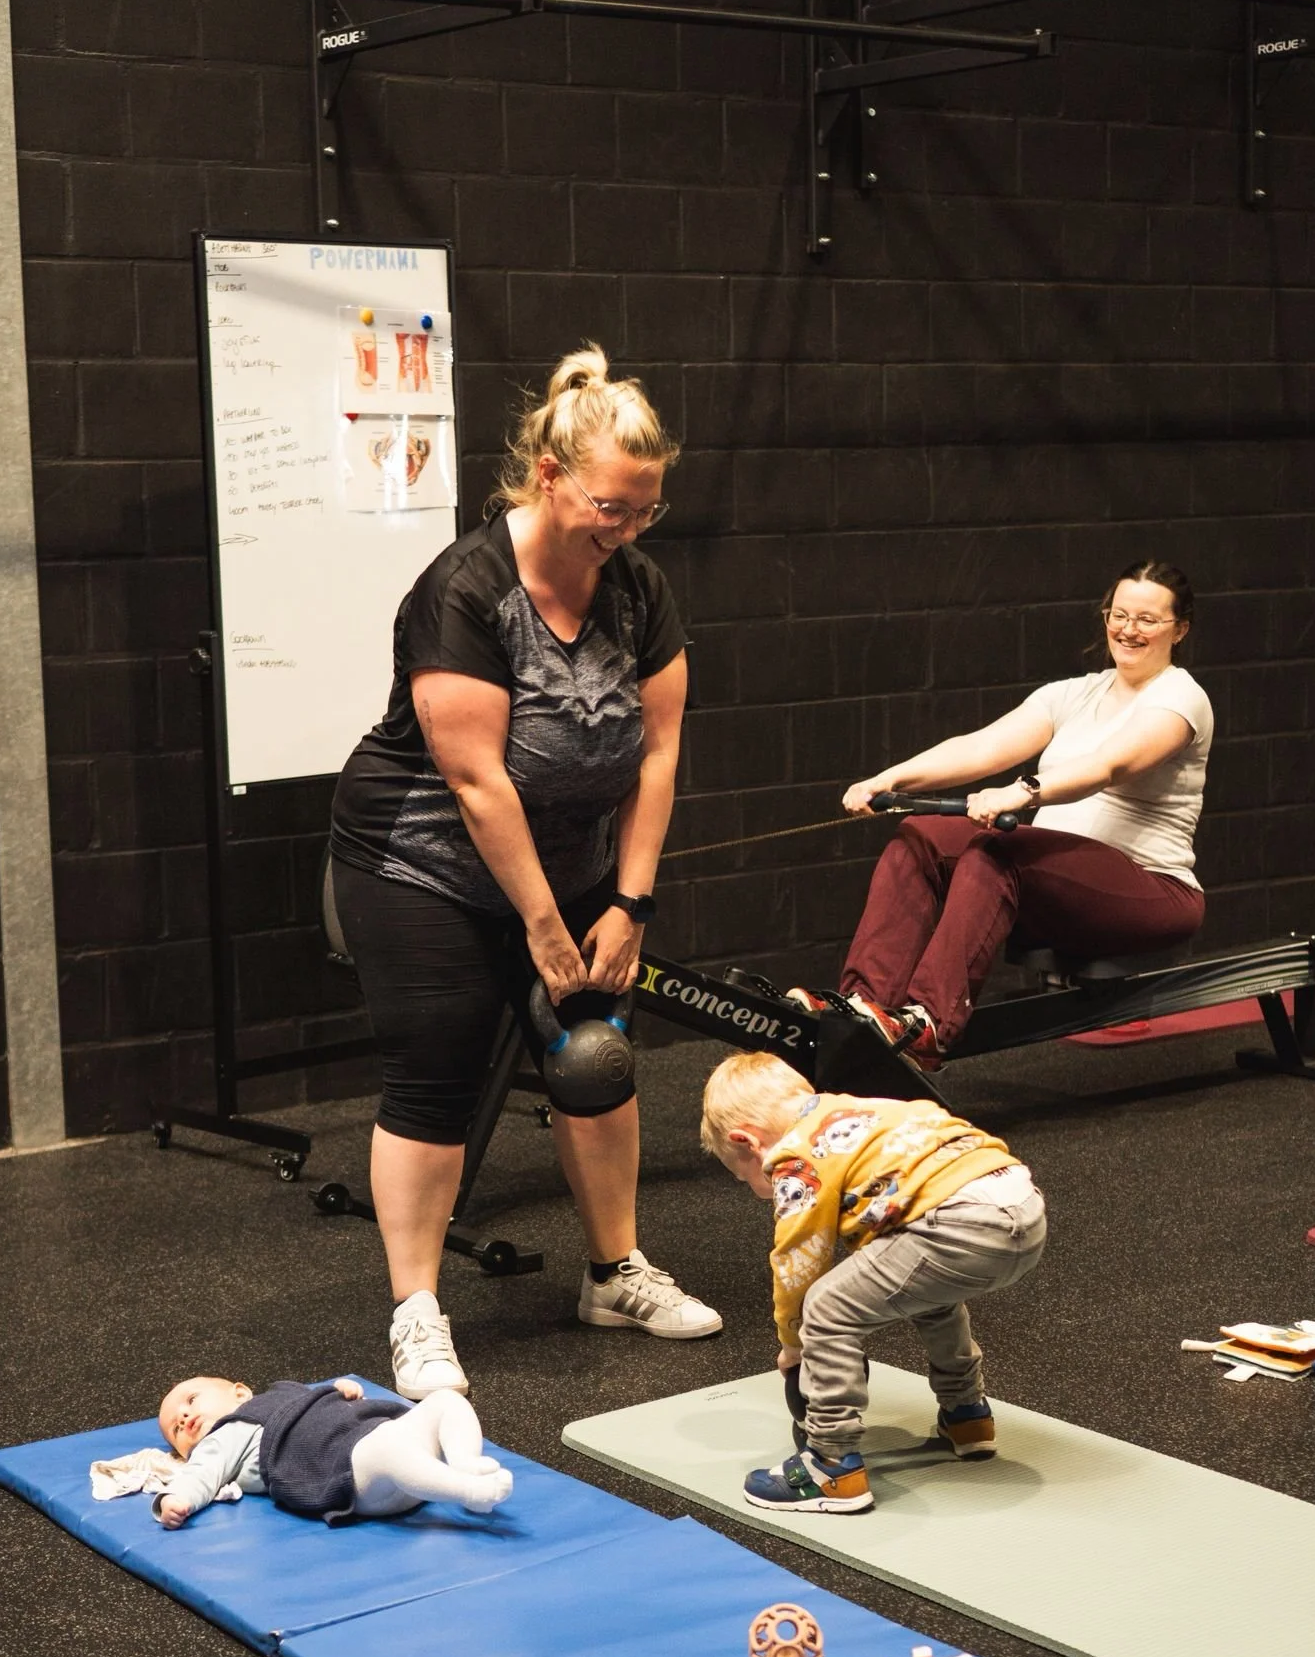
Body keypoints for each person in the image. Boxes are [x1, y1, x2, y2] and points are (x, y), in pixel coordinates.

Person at [329, 346, 722, 1402]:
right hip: (422, 863)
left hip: (576, 858)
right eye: (609, 505)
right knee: (439, 1067)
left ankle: (614, 1270)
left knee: (596, 1055)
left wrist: (630, 901)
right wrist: (547, 932)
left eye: (645, 510)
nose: (626, 529)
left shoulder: (638, 589)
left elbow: (657, 751)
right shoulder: (466, 588)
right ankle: (416, 1311)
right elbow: (476, 780)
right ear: (549, 477)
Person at [803, 561, 1211, 1069]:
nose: (1128, 629)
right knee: (921, 836)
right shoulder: (1075, 693)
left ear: (1181, 629)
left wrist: (1025, 792)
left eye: (1148, 620)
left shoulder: (1181, 697)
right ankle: (865, 1007)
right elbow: (981, 747)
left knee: (1001, 848)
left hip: (1152, 892)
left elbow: (1113, 763)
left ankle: (929, 1024)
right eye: (1119, 614)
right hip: (1056, 887)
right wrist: (891, 778)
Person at [700, 1052, 1046, 1516]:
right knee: (930, 1296)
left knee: (824, 1309)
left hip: (961, 1222)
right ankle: (967, 1418)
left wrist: (794, 1343)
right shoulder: (865, 1111)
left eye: (746, 1175)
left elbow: (798, 1261)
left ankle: (830, 1465)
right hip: (1022, 1203)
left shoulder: (796, 1154)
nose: (757, 1184)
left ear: (747, 1141)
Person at [155, 1375, 513, 1528]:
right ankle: (466, 1490)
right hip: (356, 1476)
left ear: (239, 1392)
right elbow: (199, 1474)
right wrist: (175, 1499)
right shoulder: (224, 1437)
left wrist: (338, 1390)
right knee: (389, 1448)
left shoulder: (285, 1391)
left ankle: (466, 1464)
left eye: (190, 1400)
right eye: (175, 1427)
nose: (183, 1416)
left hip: (387, 1438)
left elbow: (321, 1402)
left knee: (446, 1402)